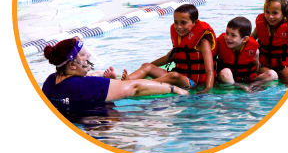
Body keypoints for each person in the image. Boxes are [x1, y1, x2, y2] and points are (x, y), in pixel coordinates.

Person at [42, 37, 187, 107]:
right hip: (107, 127)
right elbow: (135, 88)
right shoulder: (85, 85)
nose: (88, 57)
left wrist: (109, 80)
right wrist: (174, 89)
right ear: (72, 65)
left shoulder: (49, 82)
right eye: (83, 55)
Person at [125, 4, 217, 94]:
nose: (178, 26)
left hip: (194, 83)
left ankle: (141, 85)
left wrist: (207, 88)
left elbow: (210, 70)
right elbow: (166, 58)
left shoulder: (203, 42)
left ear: (195, 23)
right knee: (147, 66)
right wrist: (145, 68)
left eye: (183, 23)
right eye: (176, 22)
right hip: (177, 76)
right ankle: (125, 82)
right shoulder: (181, 39)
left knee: (173, 75)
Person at [215, 16, 277, 92]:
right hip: (227, 79)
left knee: (272, 74)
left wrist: (253, 83)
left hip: (248, 79)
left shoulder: (254, 50)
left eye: (233, 35)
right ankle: (239, 88)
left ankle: (251, 87)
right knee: (226, 72)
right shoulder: (220, 44)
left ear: (245, 39)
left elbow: (256, 69)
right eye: (227, 33)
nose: (228, 37)